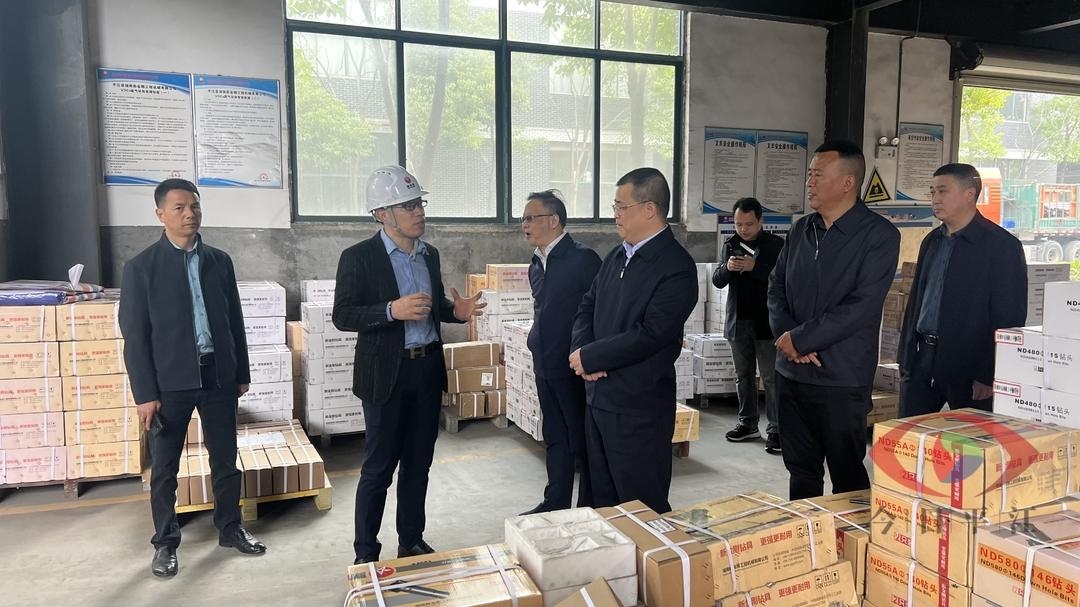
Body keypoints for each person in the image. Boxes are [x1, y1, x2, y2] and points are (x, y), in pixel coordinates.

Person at [332, 165, 485, 565]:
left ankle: (411, 540)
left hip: (427, 370)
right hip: (387, 374)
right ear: (382, 214)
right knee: (379, 468)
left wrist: (456, 311)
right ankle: (366, 553)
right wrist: (390, 310)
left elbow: (432, 306)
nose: (419, 212)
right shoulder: (358, 258)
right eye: (409, 206)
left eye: (420, 203)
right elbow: (342, 315)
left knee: (419, 463)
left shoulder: (428, 255)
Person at [120, 178, 265, 579]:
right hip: (169, 383)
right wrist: (145, 393)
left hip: (218, 377)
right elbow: (135, 337)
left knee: (226, 460)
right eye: (180, 207)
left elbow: (234, 320)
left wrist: (240, 372)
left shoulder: (219, 261)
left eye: (195, 206)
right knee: (165, 469)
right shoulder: (141, 268)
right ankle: (165, 543)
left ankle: (230, 528)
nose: (190, 214)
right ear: (160, 214)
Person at [767, 140, 900, 500]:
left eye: (818, 175)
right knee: (800, 471)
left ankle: (850, 536)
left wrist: (802, 340)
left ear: (847, 183)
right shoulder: (801, 230)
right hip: (791, 375)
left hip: (841, 378)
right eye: (809, 174)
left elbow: (862, 305)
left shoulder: (879, 236)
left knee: (846, 474)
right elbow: (776, 287)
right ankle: (807, 532)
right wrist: (788, 338)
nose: (809, 182)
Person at [569, 168, 698, 514]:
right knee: (599, 500)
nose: (615, 214)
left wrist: (592, 357)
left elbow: (651, 334)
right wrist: (580, 352)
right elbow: (587, 306)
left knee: (640, 507)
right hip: (598, 399)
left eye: (621, 207)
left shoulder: (676, 267)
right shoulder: (616, 256)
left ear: (649, 209)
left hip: (639, 408)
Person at [898, 164, 1027, 417]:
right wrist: (906, 357)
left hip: (969, 365)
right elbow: (916, 302)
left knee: (969, 439)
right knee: (910, 435)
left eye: (942, 191)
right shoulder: (932, 241)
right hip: (922, 358)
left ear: (969, 194)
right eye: (932, 192)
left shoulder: (1001, 246)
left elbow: (1009, 315)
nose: (935, 199)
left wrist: (988, 373)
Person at [520, 190, 602, 515]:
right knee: (554, 435)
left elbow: (599, 313)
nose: (525, 225)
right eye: (523, 219)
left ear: (553, 220)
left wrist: (590, 355)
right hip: (544, 363)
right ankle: (555, 501)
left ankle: (589, 505)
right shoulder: (535, 264)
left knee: (582, 438)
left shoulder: (583, 259)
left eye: (531, 218)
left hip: (574, 366)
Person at [712, 197, 785, 453]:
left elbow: (785, 280)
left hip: (766, 322)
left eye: (749, 224)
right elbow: (717, 280)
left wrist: (757, 267)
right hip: (738, 321)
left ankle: (776, 430)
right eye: (738, 224)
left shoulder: (776, 246)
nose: (743, 229)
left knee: (771, 378)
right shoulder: (730, 245)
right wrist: (728, 268)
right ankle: (747, 423)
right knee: (743, 376)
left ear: (761, 220)